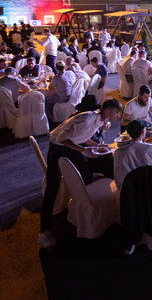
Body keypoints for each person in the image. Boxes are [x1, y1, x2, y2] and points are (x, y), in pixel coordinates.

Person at [39, 98, 122, 247]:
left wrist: (97, 146)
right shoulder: (87, 118)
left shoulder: (98, 119)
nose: (118, 117)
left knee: (91, 170)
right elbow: (62, 138)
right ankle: (44, 232)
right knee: (53, 187)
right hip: (58, 148)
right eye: (117, 113)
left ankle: (87, 213)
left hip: (71, 146)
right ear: (108, 111)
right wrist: (84, 151)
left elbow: (84, 136)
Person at [113, 119, 152, 189]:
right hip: (151, 187)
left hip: (130, 190)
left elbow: (117, 176)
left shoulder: (118, 152)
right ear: (142, 132)